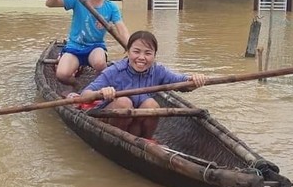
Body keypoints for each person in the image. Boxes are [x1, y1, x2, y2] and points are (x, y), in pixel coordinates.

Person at [69, 30, 207, 140]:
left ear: (154, 55)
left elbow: (183, 83)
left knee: (151, 105)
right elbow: (85, 96)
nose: (142, 57)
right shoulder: (115, 71)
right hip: (112, 122)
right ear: (128, 52)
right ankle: (117, 140)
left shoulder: (158, 71)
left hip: (136, 124)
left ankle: (146, 141)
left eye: (148, 53)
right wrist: (101, 93)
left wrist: (195, 80)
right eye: (136, 52)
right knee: (123, 102)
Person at [45, 0, 130, 85]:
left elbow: (121, 28)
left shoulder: (111, 7)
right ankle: (77, 85)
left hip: (95, 47)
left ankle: (97, 85)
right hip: (74, 46)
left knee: (100, 64)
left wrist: (130, 47)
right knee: (62, 74)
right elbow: (50, 3)